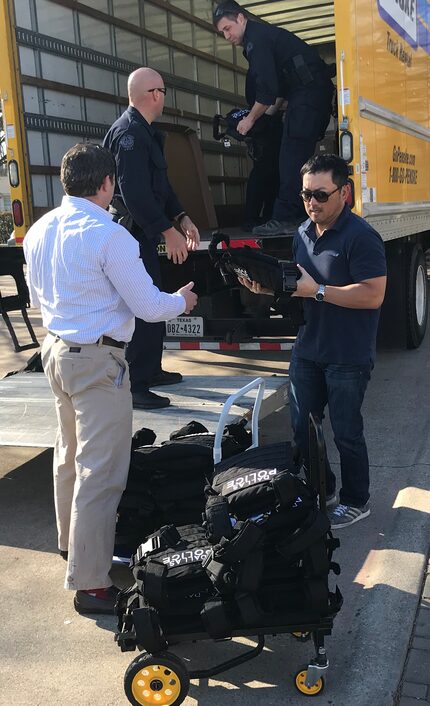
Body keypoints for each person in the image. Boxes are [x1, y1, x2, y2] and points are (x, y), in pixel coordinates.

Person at [23, 143, 198, 614]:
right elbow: (148, 307)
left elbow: (37, 295)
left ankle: (71, 546)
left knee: (68, 456)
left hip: (56, 351)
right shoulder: (111, 235)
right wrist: (181, 299)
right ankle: (91, 584)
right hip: (99, 363)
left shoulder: (38, 230)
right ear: (107, 185)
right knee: (100, 473)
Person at [239, 154, 387, 529]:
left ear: (345, 193)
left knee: (347, 432)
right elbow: (298, 288)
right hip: (308, 350)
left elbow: (372, 295)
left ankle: (357, 500)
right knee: (303, 429)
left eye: (321, 194)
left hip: (347, 354)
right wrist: (268, 288)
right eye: (306, 195)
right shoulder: (302, 232)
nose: (312, 203)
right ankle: (326, 490)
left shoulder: (361, 237)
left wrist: (318, 291)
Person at [103, 67, 200, 410]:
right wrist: (166, 231)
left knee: (154, 293)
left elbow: (161, 187)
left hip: (143, 230)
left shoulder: (144, 132)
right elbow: (134, 194)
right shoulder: (128, 134)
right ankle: (137, 384)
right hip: (132, 232)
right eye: (163, 91)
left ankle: (151, 370)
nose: (164, 98)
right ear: (154, 94)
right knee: (145, 302)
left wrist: (181, 216)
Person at [213, 1, 335, 236]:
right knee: (294, 156)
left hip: (309, 95)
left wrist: (249, 120)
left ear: (241, 18)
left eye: (228, 28)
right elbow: (278, 88)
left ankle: (286, 218)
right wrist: (263, 115)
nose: (226, 35)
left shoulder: (256, 40)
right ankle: (298, 214)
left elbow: (267, 90)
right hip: (310, 95)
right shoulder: (262, 38)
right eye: (222, 33)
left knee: (291, 157)